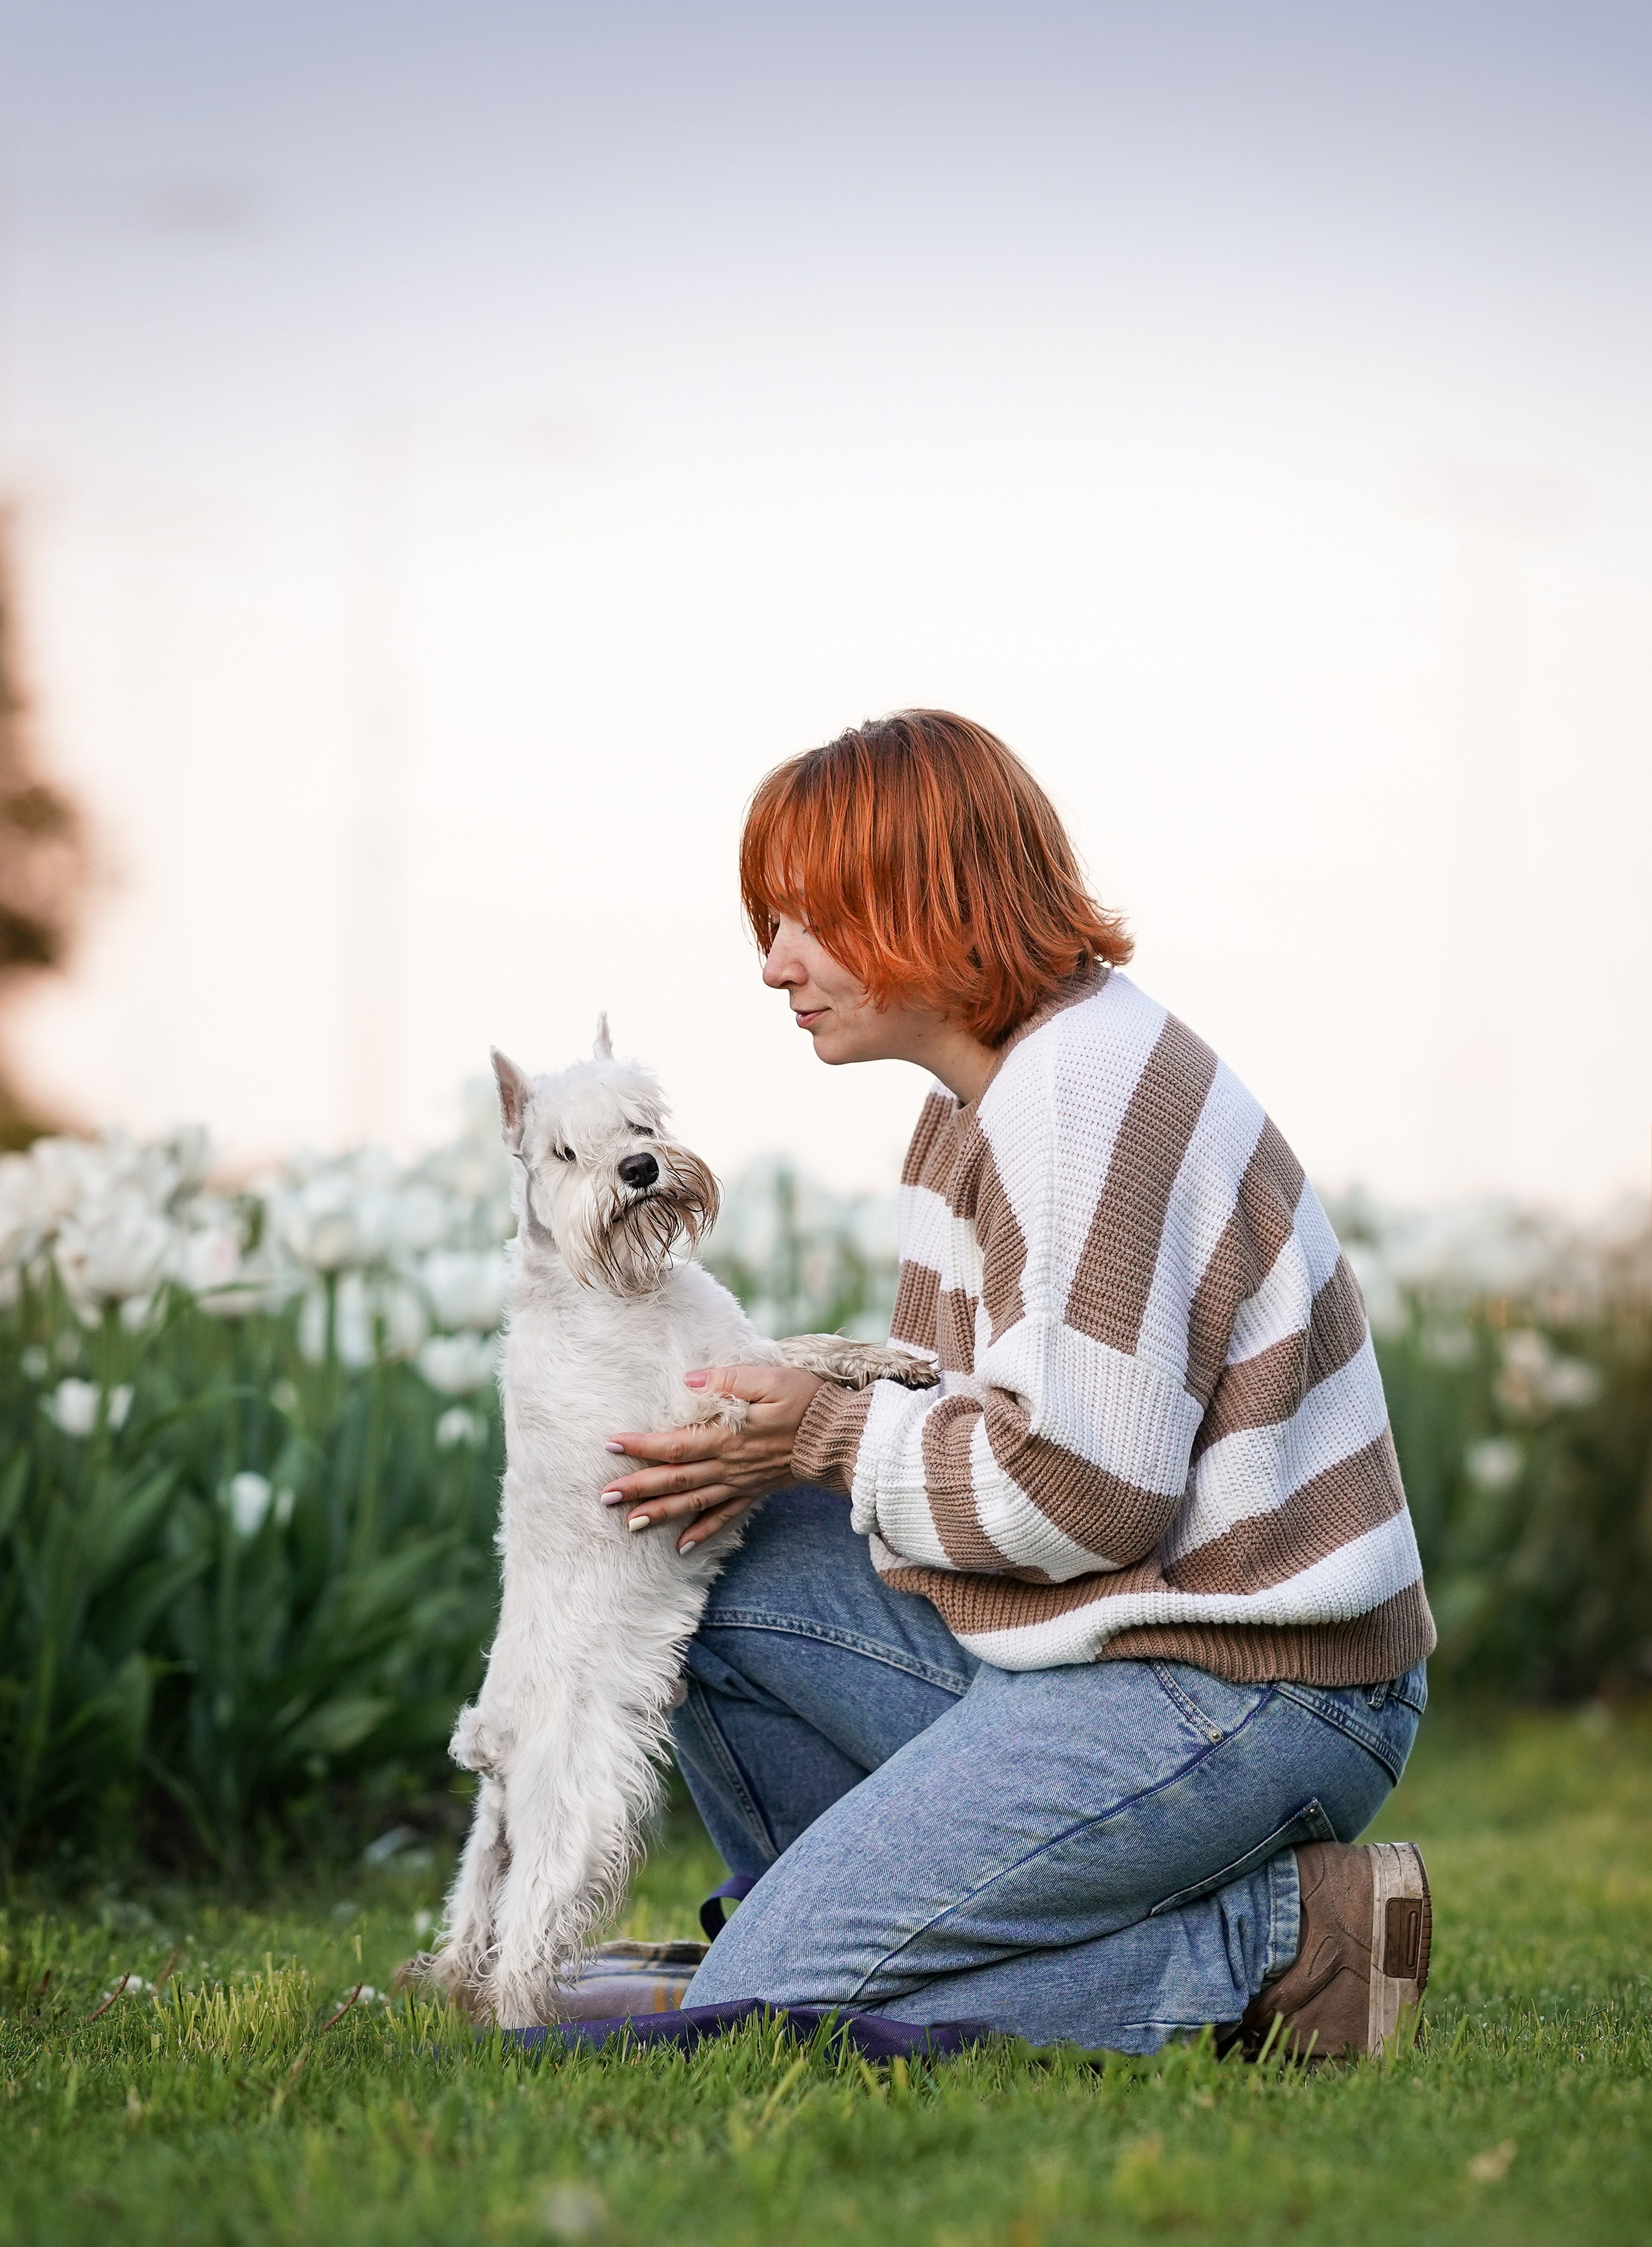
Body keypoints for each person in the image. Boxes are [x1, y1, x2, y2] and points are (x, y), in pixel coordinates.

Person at [599, 710, 1435, 2057]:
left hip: (1244, 1680)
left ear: (933, 901)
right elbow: (980, 1416)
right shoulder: (983, 1093)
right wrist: (784, 1431)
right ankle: (834, 1924)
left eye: (809, 918)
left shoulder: (1079, 1090)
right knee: (705, 1558)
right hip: (1101, 1639)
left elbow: (1088, 1489)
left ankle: (1283, 1941)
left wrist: (826, 1431)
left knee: (764, 2014)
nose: (772, 964)